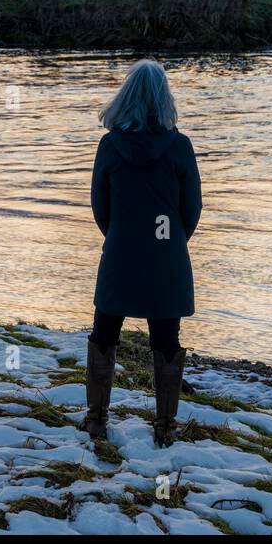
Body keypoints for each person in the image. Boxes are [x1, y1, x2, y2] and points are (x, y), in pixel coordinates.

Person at [82, 59, 202, 447]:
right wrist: (168, 243)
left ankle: (97, 419)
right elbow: (192, 209)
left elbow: (100, 206)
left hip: (120, 252)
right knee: (166, 338)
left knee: (105, 333)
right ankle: (165, 426)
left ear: (126, 96)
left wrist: (122, 236)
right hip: (167, 255)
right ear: (165, 98)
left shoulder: (110, 145)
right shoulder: (180, 145)